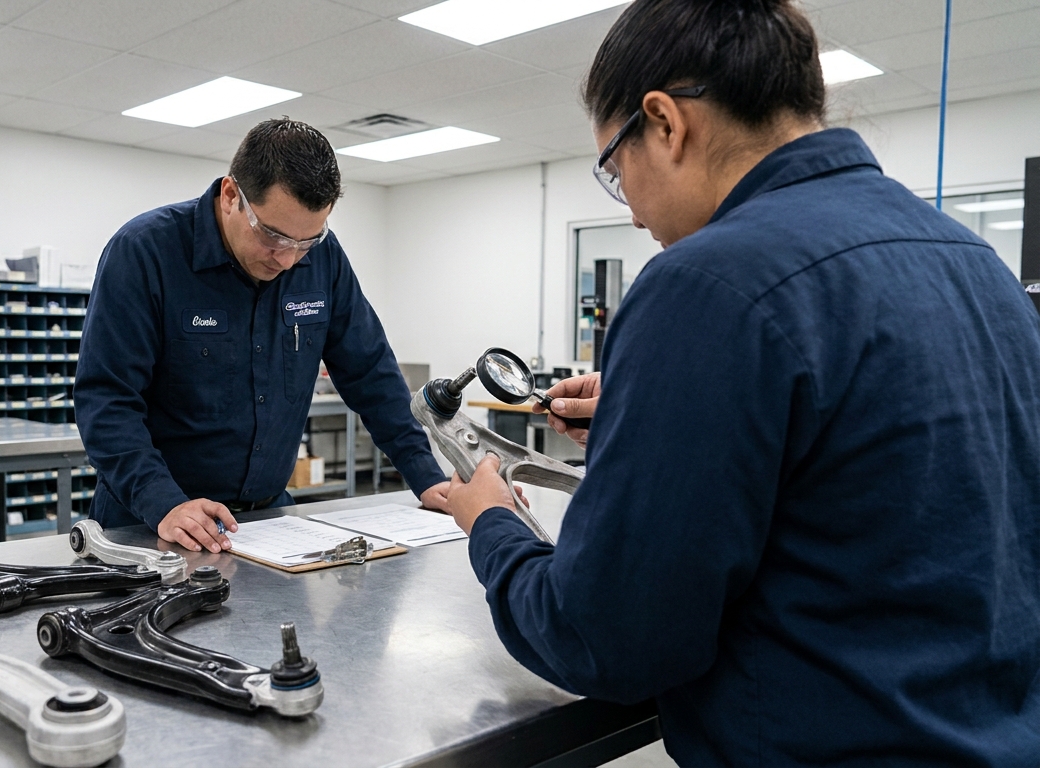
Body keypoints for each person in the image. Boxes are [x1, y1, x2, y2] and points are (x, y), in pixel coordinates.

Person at [444, 0, 1040, 764]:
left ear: (665, 123)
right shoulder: (975, 263)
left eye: (616, 172)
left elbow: (605, 639)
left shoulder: (705, 282)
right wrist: (653, 418)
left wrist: (493, 525)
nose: (634, 219)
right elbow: (877, 478)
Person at [76, 118, 449, 554]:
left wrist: (426, 475)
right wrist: (162, 501)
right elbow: (107, 399)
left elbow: (371, 372)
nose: (288, 260)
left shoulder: (324, 258)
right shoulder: (145, 251)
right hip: (152, 523)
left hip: (268, 523)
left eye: (307, 241)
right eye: (273, 236)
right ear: (231, 195)